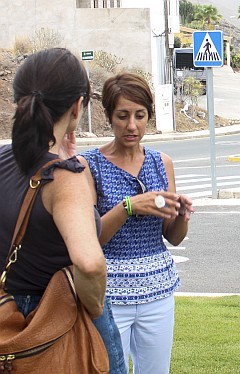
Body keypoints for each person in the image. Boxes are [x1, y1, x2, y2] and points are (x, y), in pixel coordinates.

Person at [0, 47, 126, 373]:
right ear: (77, 106)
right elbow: (89, 262)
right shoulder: (64, 179)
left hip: (5, 312)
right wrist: (96, 308)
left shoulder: (3, 161)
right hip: (56, 318)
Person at [78, 72, 193, 374]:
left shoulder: (160, 161)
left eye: (140, 116)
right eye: (123, 116)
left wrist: (181, 214)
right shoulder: (89, 165)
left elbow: (175, 237)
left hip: (157, 291)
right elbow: (89, 240)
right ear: (108, 117)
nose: (132, 126)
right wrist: (128, 207)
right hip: (108, 295)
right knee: (107, 369)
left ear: (149, 116)